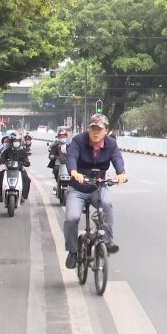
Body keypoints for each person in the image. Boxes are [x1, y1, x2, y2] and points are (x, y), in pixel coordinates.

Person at [63, 114, 127, 269]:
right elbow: (71, 156)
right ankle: (72, 251)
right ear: (88, 129)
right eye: (93, 128)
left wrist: (121, 173)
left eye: (99, 129)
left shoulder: (111, 144)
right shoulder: (79, 140)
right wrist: (73, 172)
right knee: (71, 218)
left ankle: (108, 241)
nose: (96, 132)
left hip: (98, 186)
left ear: (106, 130)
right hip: (78, 188)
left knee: (106, 203)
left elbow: (117, 158)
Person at [0, 134, 31, 203]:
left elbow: (26, 160)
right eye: (14, 141)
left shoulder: (22, 151)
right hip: (8, 170)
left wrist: (26, 162)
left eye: (17, 141)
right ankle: (0, 194)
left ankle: (22, 195)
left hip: (20, 170)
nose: (16, 143)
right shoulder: (7, 151)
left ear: (20, 142)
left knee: (27, 179)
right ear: (11, 142)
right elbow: (1, 158)